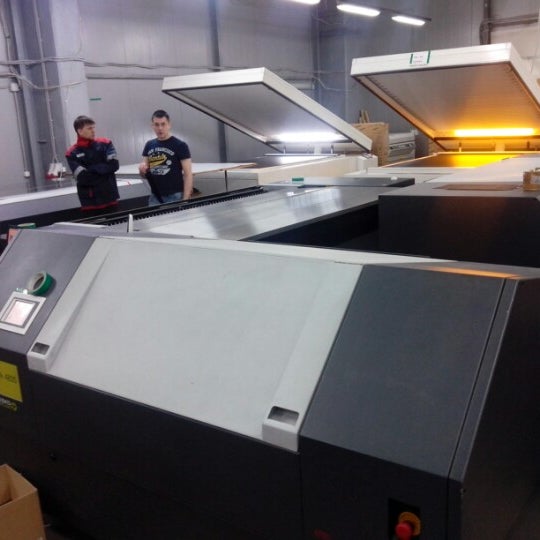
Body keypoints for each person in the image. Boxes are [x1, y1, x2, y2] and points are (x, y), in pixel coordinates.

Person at [138, 110, 194, 205]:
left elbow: (188, 174)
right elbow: (144, 174)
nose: (160, 128)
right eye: (156, 125)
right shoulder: (149, 145)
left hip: (175, 196)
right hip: (155, 197)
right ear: (152, 126)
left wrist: (185, 200)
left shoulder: (180, 145)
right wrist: (141, 170)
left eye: (163, 124)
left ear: (169, 125)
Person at [65, 115, 120, 211]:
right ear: (79, 131)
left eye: (93, 128)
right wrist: (104, 170)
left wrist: (92, 169)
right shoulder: (71, 153)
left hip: (110, 198)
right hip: (90, 202)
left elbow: (114, 165)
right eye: (89, 128)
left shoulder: (106, 144)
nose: (93, 131)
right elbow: (84, 178)